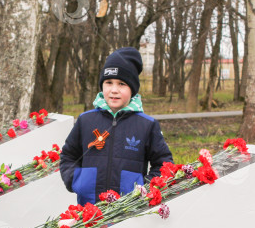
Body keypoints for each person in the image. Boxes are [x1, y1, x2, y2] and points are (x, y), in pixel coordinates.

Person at [60, 47, 173, 204]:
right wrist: (76, 180)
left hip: (128, 211)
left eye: (121, 84)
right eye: (109, 83)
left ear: (132, 88)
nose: (114, 90)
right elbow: (69, 155)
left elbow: (163, 163)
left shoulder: (147, 125)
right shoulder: (85, 120)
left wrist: (144, 189)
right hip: (88, 210)